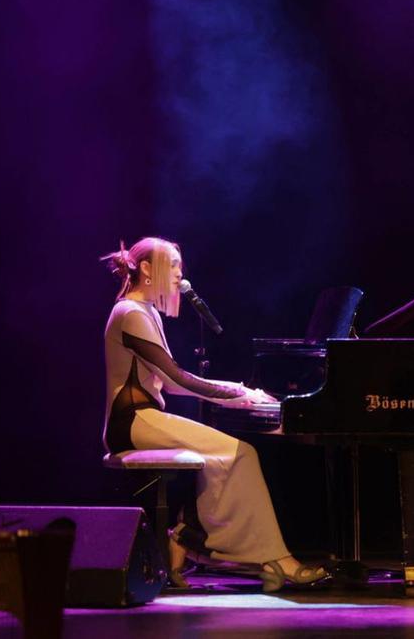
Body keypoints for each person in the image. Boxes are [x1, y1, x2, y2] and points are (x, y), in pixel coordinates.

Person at [99, 236, 326, 592]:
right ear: (145, 269)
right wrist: (236, 394)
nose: (179, 274)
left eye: (179, 266)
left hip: (145, 419)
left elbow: (172, 384)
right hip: (132, 422)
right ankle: (270, 558)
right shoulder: (129, 313)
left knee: (228, 458)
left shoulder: (146, 313)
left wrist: (239, 392)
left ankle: (191, 539)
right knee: (241, 453)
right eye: (171, 265)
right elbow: (177, 378)